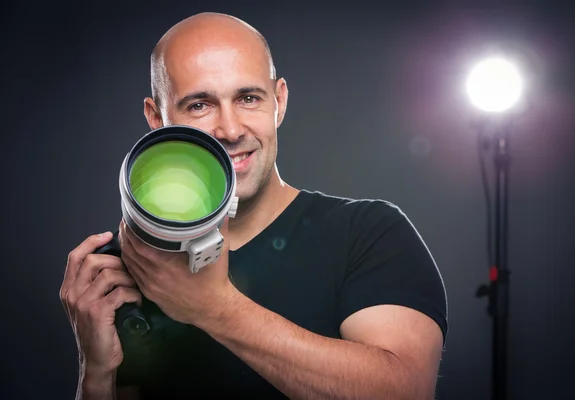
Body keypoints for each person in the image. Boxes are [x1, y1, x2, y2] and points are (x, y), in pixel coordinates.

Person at [59, 12, 448, 400]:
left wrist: (214, 308)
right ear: (156, 118)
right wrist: (94, 372)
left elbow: (406, 392)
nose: (230, 129)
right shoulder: (139, 264)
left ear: (278, 101)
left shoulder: (367, 233)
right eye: (199, 105)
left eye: (248, 98)